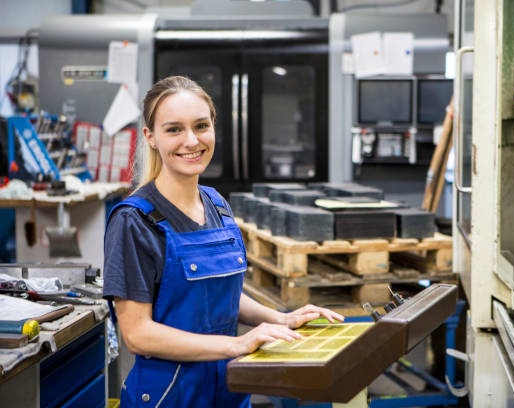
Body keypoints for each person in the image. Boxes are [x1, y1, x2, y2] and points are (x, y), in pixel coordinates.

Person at [103, 75, 343, 408]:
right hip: (169, 398)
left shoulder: (216, 204)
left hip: (228, 393)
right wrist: (238, 345)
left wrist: (280, 318)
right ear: (151, 137)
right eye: (174, 129)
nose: (191, 140)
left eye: (201, 126)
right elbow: (137, 334)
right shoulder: (134, 220)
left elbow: (218, 292)